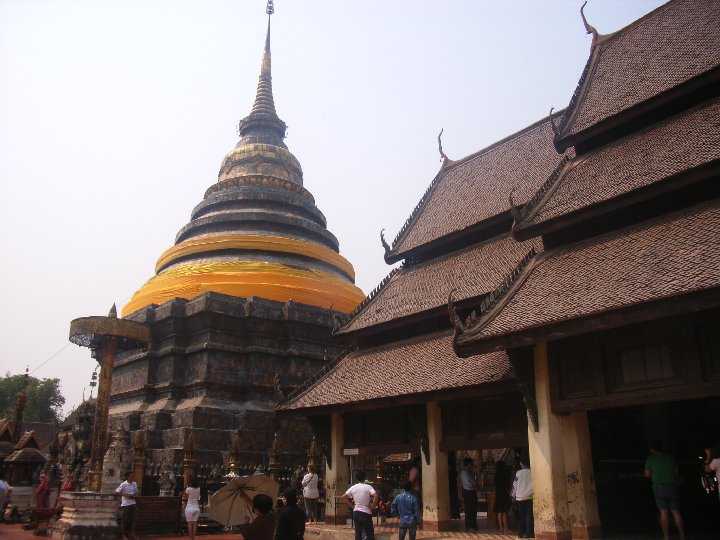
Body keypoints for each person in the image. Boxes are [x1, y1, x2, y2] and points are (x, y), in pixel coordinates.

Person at [644, 439, 685, 540]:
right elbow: (676, 471)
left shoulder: (650, 459)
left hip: (658, 487)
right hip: (671, 486)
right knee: (676, 511)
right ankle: (682, 536)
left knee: (663, 512)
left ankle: (666, 536)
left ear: (652, 449)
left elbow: (647, 474)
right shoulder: (670, 458)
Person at [342, 470, 379, 540]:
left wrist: (352, 506)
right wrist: (372, 506)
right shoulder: (368, 487)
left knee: (358, 534)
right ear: (365, 478)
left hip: (356, 512)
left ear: (357, 478)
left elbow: (344, 497)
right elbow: (376, 495)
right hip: (366, 512)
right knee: (370, 534)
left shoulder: (353, 487)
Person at [512, 457, 533, 539]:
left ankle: (520, 533)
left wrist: (513, 495)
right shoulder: (532, 472)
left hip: (520, 497)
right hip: (530, 496)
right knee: (529, 516)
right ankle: (529, 534)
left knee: (521, 515)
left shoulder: (518, 473)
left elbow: (515, 485)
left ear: (521, 463)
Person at [115, 471, 139, 540]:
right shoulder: (123, 484)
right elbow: (116, 492)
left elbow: (137, 492)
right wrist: (125, 495)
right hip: (125, 503)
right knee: (123, 520)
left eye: (133, 476)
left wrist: (134, 495)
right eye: (131, 476)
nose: (132, 477)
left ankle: (131, 533)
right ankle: (123, 535)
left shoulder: (134, 484)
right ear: (127, 476)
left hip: (133, 502)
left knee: (135, 518)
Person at [493, 461, 512, 533]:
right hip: (504, 494)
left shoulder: (496, 475)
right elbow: (508, 486)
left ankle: (501, 528)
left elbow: (494, 485)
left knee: (499, 512)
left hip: (498, 495)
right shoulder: (505, 475)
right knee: (504, 512)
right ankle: (506, 528)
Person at [459, 457, 477, 531]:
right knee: (469, 509)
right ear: (467, 464)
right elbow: (467, 483)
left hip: (472, 492)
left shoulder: (470, 472)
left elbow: (473, 481)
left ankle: (473, 524)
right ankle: (469, 525)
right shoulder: (464, 472)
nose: (472, 464)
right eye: (471, 463)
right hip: (468, 492)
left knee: (473, 509)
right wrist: (473, 485)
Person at [184, 476, 201, 540]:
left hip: (189, 507)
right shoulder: (198, 488)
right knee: (194, 524)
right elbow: (198, 499)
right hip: (196, 507)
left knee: (189, 524)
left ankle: (190, 538)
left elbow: (186, 498)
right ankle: (193, 538)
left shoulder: (188, 489)